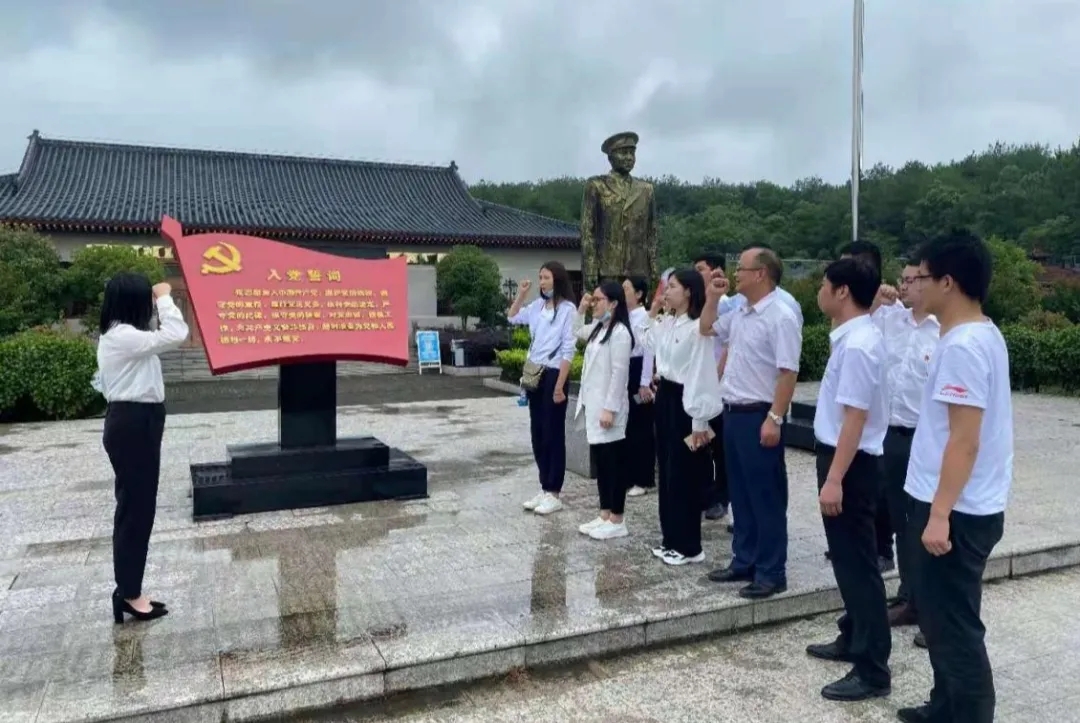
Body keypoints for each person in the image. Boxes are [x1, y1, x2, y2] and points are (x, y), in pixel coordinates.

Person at [898, 230, 1011, 723]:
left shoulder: (964, 345)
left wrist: (939, 513)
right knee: (942, 620)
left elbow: (964, 440)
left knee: (955, 626)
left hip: (957, 510)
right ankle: (945, 706)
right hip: (960, 502)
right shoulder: (980, 333)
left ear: (948, 281)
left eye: (922, 277)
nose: (914, 285)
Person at [806, 257, 892, 702]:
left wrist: (835, 478)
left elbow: (855, 418)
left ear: (842, 291)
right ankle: (853, 635)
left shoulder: (858, 345)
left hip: (851, 463)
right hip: (844, 458)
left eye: (825, 284)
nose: (819, 290)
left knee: (859, 566)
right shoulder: (853, 337)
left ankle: (873, 669)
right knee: (847, 560)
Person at [699, 247, 801, 600]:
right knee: (741, 493)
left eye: (741, 268)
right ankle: (744, 559)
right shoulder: (741, 312)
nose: (735, 273)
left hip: (760, 414)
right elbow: (706, 327)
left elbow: (788, 372)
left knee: (765, 495)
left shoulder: (780, 316)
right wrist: (713, 297)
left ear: (761, 273)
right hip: (734, 412)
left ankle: (772, 571)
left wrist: (775, 417)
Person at [97, 273, 189, 624]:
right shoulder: (122, 336)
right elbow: (177, 333)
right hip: (133, 423)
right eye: (146, 300)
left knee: (138, 506)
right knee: (135, 509)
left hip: (139, 421)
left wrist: (156, 302)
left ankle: (130, 589)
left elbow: (159, 333)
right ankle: (128, 593)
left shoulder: (126, 335)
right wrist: (165, 297)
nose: (151, 306)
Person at [638, 269, 724, 566]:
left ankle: (689, 545)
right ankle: (671, 539)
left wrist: (699, 421)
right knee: (667, 471)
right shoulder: (669, 322)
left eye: (672, 287)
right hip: (666, 397)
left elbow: (700, 374)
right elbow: (646, 340)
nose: (666, 292)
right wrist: (653, 311)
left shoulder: (697, 328)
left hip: (686, 402)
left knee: (685, 474)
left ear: (688, 291)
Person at [872, 263, 940, 631]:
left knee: (928, 521)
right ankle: (908, 595)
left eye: (912, 280)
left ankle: (932, 605)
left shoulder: (943, 331)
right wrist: (876, 299)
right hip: (892, 435)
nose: (904, 286)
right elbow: (854, 327)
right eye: (903, 280)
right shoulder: (890, 319)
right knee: (901, 520)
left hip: (926, 438)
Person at [507, 262, 577, 516]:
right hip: (535, 372)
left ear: (557, 279)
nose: (542, 282)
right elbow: (512, 316)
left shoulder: (568, 310)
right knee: (537, 431)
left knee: (552, 432)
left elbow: (568, 348)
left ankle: (554, 491)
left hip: (554, 373)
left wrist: (559, 385)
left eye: (546, 277)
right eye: (540, 277)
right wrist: (521, 294)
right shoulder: (537, 306)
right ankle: (544, 485)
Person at [573, 281, 636, 540]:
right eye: (593, 299)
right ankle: (604, 514)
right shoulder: (599, 329)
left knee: (614, 464)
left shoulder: (620, 333)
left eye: (598, 300)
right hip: (594, 406)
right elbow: (575, 331)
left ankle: (617, 518)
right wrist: (581, 308)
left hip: (609, 409)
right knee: (601, 463)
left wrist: (610, 409)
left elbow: (620, 374)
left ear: (613, 304)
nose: (594, 304)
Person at [692, 253, 737, 521]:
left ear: (716, 271)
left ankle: (722, 497)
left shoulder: (728, 305)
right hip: (699, 384)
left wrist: (716, 375)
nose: (697, 274)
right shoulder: (699, 304)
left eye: (701, 269)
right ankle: (705, 493)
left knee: (720, 446)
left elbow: (730, 346)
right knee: (699, 441)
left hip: (718, 386)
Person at [622, 276, 656, 497]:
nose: (622, 292)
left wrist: (645, 382)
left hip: (639, 371)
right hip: (625, 370)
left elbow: (648, 351)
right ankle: (628, 475)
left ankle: (643, 479)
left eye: (626, 288)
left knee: (640, 426)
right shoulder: (622, 316)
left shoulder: (645, 317)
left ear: (639, 294)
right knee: (626, 425)